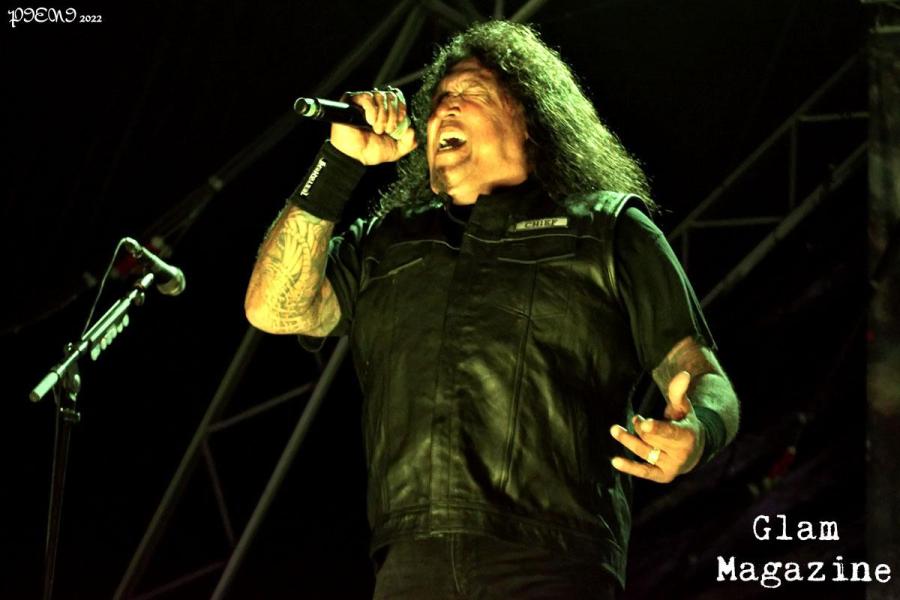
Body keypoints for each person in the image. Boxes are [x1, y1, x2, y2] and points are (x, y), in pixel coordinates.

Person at [245, 20, 739, 600]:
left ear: (530, 119)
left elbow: (703, 373)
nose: (443, 110)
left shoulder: (607, 229)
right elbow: (274, 310)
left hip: (552, 554)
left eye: (471, 93)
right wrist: (338, 162)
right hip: (410, 562)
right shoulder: (386, 242)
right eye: (437, 101)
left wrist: (699, 430)